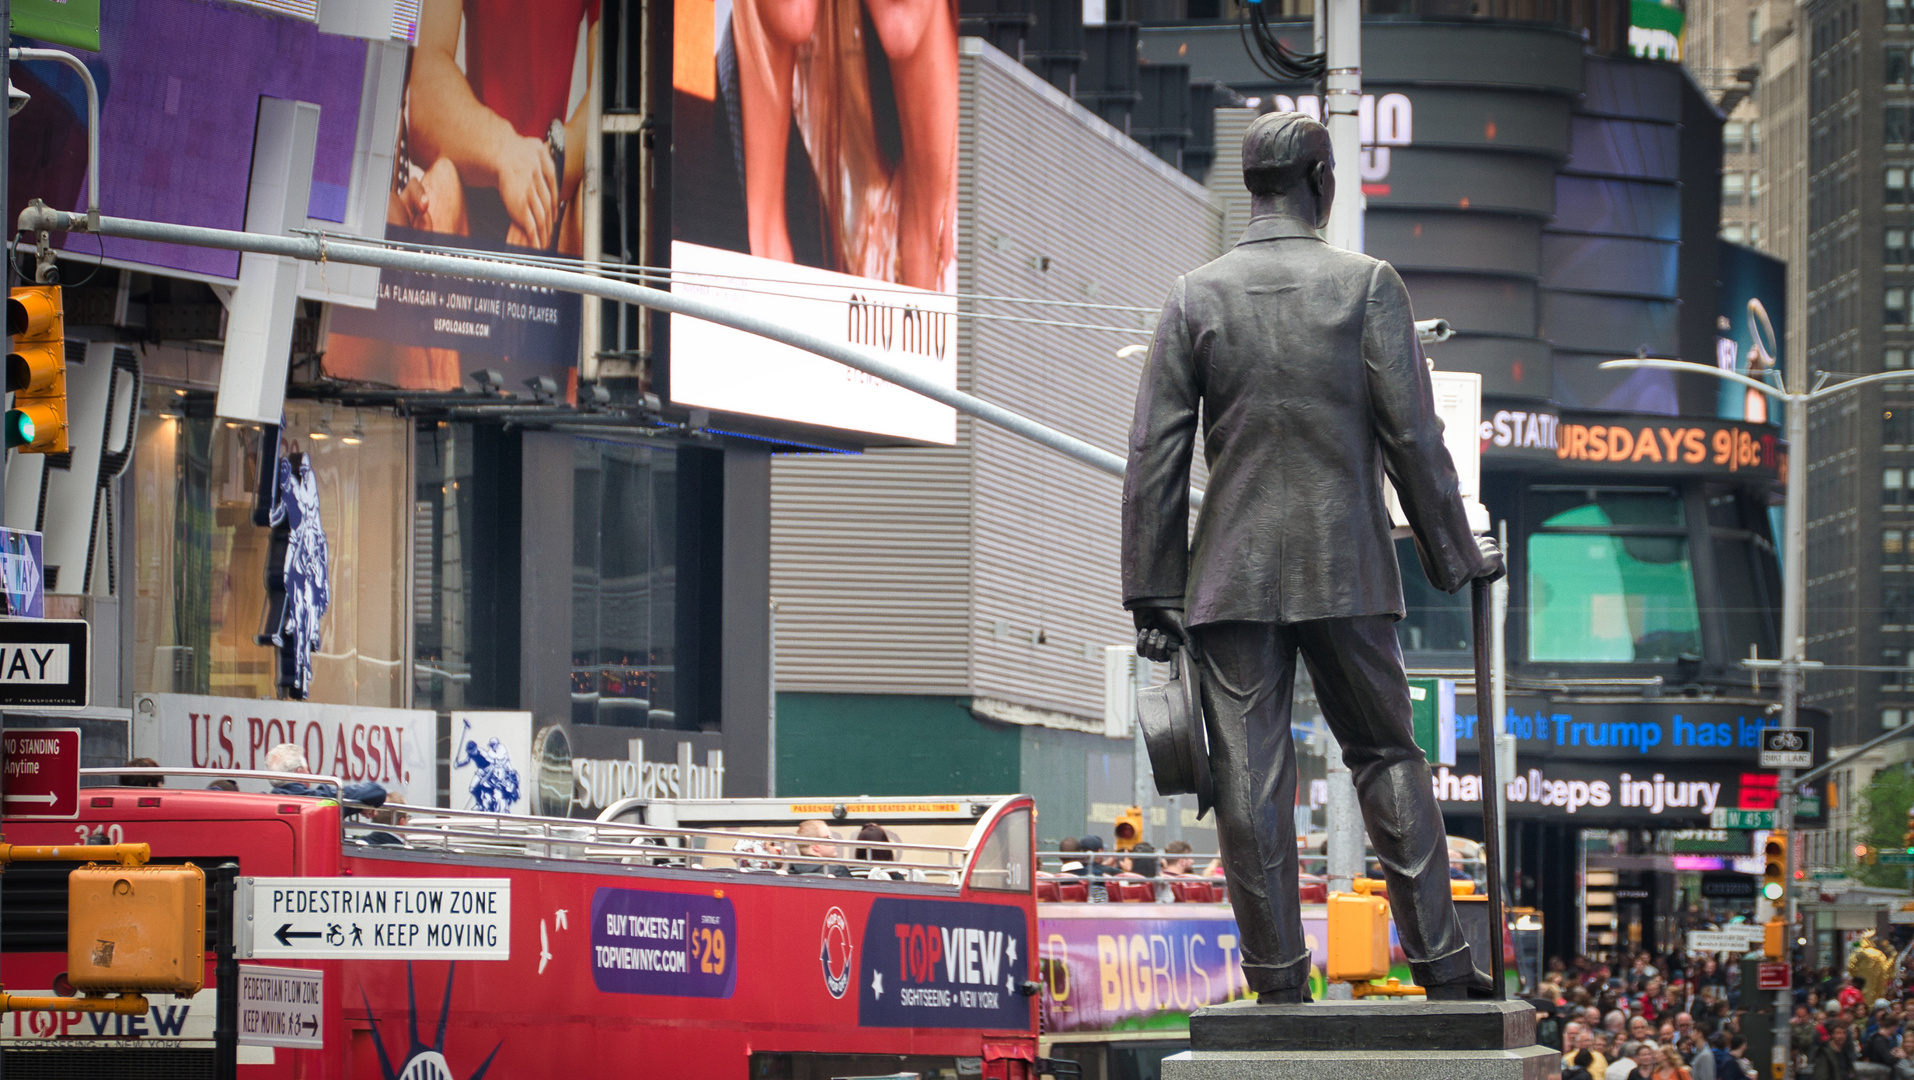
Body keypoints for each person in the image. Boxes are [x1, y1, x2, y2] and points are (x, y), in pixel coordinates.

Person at [1121, 110, 1505, 1004]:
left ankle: (1277, 983)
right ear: (1322, 183)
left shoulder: (1193, 295)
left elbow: (1156, 457)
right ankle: (1445, 967)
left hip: (1231, 575)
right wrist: (1459, 553)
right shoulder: (1368, 286)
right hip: (1349, 568)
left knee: (1251, 781)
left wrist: (1153, 593)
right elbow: (1414, 437)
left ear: (1248, 186)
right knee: (1387, 756)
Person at [263, 744, 386, 806]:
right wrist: (360, 805)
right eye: (307, 770)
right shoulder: (323, 800)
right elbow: (377, 792)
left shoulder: (263, 803)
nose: (310, 774)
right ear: (299, 773)